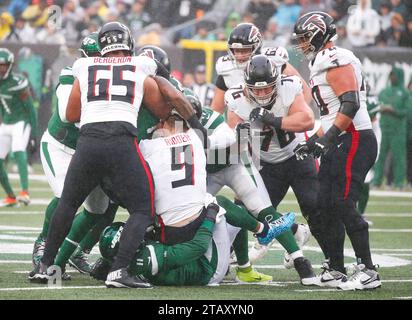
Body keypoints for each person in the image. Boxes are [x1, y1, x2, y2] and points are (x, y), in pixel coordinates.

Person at [29, 22, 198, 289]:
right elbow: (163, 102)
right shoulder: (140, 64)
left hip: (88, 143)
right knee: (143, 208)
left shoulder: (83, 67)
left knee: (68, 203)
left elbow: (71, 115)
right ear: (129, 45)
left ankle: (45, 265)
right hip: (121, 143)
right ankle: (118, 270)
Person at [293, 11, 381, 290]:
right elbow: (333, 114)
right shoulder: (321, 60)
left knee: (343, 202)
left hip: (355, 138)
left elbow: (350, 105)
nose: (302, 43)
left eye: (306, 37)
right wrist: (312, 141)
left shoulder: (336, 58)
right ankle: (336, 268)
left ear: (320, 34)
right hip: (341, 136)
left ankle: (368, 270)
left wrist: (326, 138)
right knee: (323, 205)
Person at [225, 54, 329, 269]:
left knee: (315, 208)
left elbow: (307, 120)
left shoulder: (289, 87)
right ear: (247, 86)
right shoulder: (236, 97)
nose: (262, 94)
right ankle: (294, 232)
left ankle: (333, 262)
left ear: (277, 82)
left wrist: (273, 120)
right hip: (266, 164)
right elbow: (231, 133)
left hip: (297, 156)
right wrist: (239, 131)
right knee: (248, 212)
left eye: (267, 88)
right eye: (257, 89)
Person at [32, 33, 117, 277]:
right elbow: (67, 113)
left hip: (88, 150)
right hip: (61, 146)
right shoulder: (71, 75)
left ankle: (75, 251)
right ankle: (43, 244)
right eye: (95, 57)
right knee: (64, 196)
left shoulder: (118, 79)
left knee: (98, 209)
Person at [92, 197, 295, 286]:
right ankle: (264, 231)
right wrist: (208, 217)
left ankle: (245, 269)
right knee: (218, 205)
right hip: (207, 270)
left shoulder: (130, 260)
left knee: (237, 215)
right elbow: (196, 247)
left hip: (196, 264)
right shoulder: (146, 258)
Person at [210, 22, 312, 115]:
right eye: (236, 50)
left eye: (244, 50)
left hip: (280, 119)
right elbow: (216, 109)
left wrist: (292, 119)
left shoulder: (273, 61)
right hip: (248, 124)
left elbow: (305, 91)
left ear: (256, 47)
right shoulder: (227, 69)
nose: (239, 56)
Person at [0, 47, 37, 207]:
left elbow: (30, 108)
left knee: (18, 150)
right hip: (6, 123)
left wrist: (34, 134)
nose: (1, 68)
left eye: (3, 65)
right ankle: (10, 196)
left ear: (10, 65)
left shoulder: (18, 82)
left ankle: (25, 192)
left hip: (20, 122)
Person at [372, 66, 409, 190]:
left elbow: (408, 111)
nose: (392, 77)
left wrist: (394, 110)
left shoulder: (405, 93)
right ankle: (376, 181)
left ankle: (399, 183)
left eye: (394, 75)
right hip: (384, 129)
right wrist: (382, 108)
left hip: (398, 131)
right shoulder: (384, 91)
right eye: (391, 75)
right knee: (380, 156)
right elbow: (377, 106)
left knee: (399, 158)